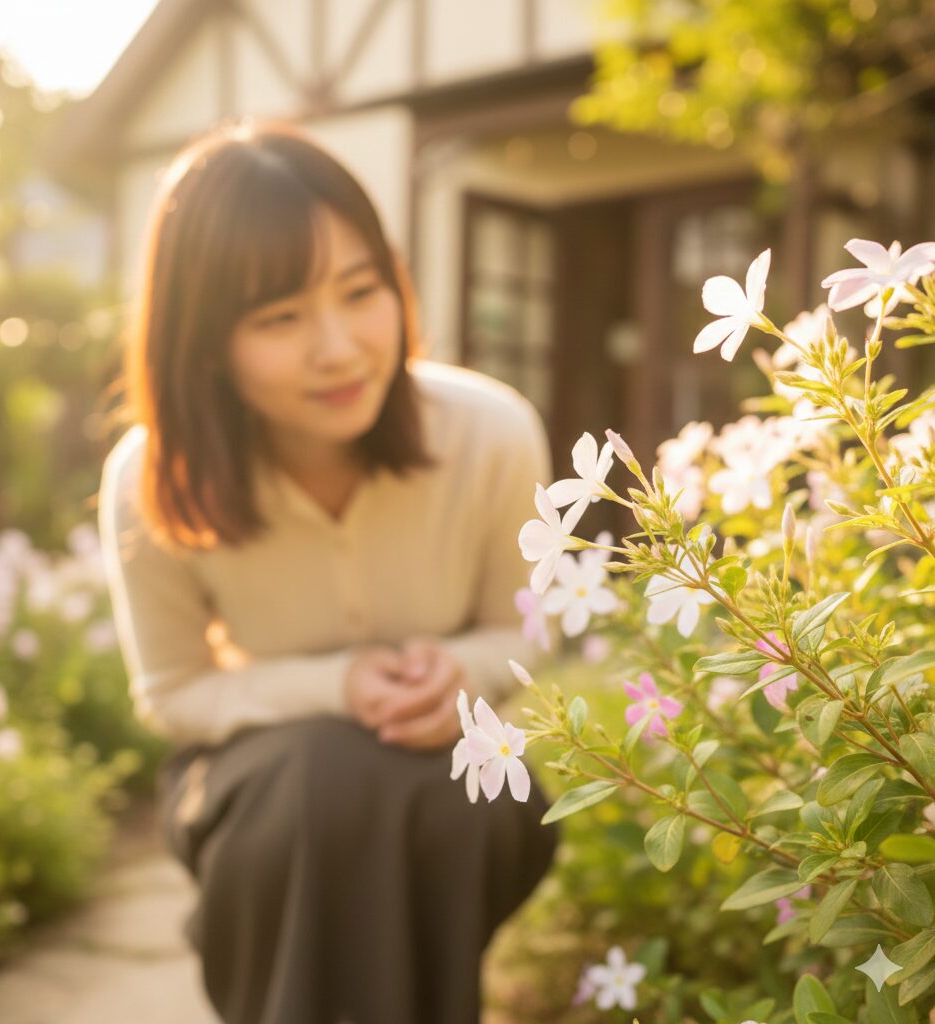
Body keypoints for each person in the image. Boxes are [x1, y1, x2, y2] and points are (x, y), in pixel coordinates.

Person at [97, 121, 559, 1024]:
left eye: (360, 291)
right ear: (204, 340)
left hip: (449, 775)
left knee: (447, 801)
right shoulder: (152, 478)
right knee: (318, 778)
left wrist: (457, 674)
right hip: (260, 792)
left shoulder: (492, 434)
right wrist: (339, 687)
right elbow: (175, 694)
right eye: (280, 318)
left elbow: (523, 631)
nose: (340, 347)